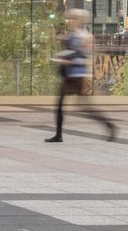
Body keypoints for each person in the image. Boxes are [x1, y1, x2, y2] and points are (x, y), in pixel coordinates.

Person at [46, 9, 117, 143]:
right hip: (72, 75)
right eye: (70, 18)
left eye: (73, 18)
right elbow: (75, 52)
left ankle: (109, 126)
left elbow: (83, 55)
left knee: (74, 105)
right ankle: (109, 126)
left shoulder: (83, 36)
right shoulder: (76, 35)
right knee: (76, 105)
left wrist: (67, 59)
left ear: (79, 20)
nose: (70, 21)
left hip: (76, 76)